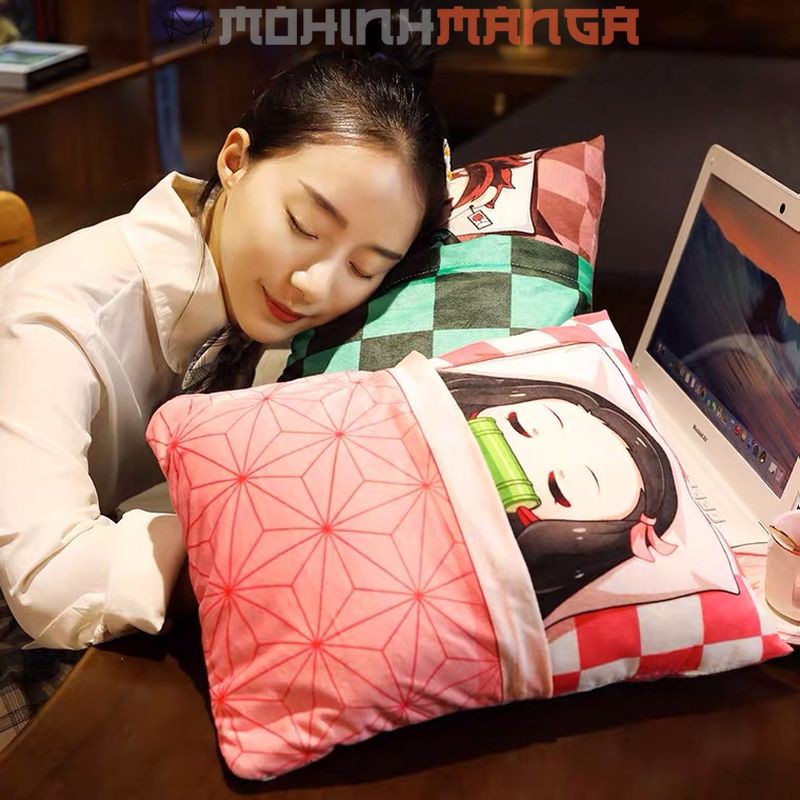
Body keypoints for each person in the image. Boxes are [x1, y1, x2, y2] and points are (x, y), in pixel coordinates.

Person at [0, 42, 449, 746]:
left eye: (364, 267)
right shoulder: (55, 311)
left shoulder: (256, 302)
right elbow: (48, 574)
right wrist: (252, 536)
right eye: (304, 227)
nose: (315, 285)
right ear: (235, 161)